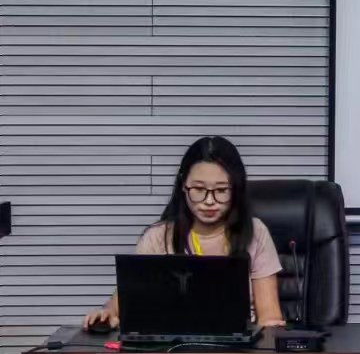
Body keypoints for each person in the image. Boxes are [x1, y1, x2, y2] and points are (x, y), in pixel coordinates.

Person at [83, 135, 285, 331]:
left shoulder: (255, 232)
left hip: (237, 346)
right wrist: (107, 314)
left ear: (236, 189)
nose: (209, 201)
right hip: (173, 346)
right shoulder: (158, 237)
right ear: (183, 186)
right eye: (198, 189)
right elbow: (123, 302)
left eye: (221, 190)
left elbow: (269, 318)